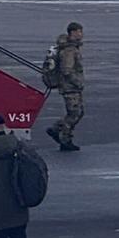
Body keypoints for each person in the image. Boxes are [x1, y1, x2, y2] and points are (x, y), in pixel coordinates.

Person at [43, 23, 87, 152]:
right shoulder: (69, 50)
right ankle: (64, 138)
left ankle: (57, 130)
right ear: (72, 33)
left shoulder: (70, 47)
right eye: (79, 31)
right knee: (75, 113)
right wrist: (77, 82)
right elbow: (67, 70)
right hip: (70, 87)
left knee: (77, 112)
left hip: (70, 86)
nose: (81, 34)